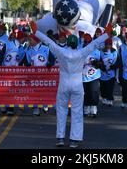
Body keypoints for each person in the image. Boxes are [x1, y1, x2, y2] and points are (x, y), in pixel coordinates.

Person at [30, 20, 112, 148]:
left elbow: (49, 42)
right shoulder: (81, 52)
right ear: (76, 44)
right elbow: (94, 44)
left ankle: (60, 138)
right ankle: (74, 140)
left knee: (61, 111)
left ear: (67, 43)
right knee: (77, 112)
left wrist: (36, 32)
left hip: (63, 83)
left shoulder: (61, 52)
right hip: (77, 84)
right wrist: (106, 35)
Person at [24, 33, 55, 116]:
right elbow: (26, 61)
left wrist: (50, 64)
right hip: (33, 75)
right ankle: (36, 108)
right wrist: (27, 65)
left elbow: (52, 60)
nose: (29, 41)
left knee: (44, 90)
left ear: (36, 41)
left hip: (45, 74)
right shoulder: (28, 50)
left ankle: (45, 104)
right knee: (34, 91)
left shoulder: (46, 49)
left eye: (31, 40)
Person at [0, 30, 27, 116]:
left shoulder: (22, 48)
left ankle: (10, 108)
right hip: (6, 70)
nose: (25, 40)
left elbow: (23, 60)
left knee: (12, 90)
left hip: (15, 72)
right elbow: (1, 56)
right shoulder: (8, 44)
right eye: (24, 38)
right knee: (4, 90)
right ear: (21, 38)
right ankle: (3, 106)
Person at [82, 33, 102, 118]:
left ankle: (93, 108)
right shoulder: (81, 51)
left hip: (94, 75)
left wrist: (97, 63)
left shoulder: (97, 52)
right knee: (85, 92)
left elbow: (101, 64)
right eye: (86, 42)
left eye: (88, 42)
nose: (87, 43)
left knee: (94, 91)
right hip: (83, 75)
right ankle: (86, 108)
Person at [100, 37, 118, 106]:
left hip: (111, 73)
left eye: (109, 44)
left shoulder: (114, 52)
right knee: (103, 87)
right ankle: (104, 98)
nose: (108, 46)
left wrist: (113, 66)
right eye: (107, 44)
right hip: (103, 73)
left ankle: (110, 99)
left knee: (110, 87)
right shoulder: (101, 52)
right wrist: (102, 67)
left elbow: (117, 62)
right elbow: (99, 60)